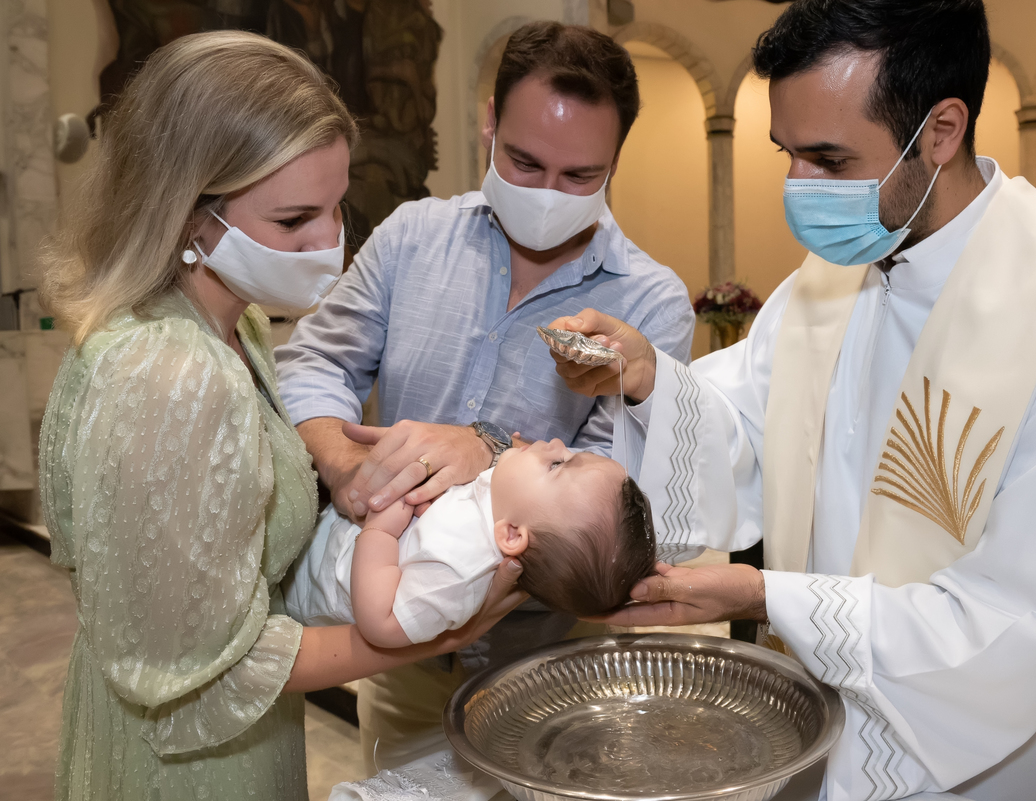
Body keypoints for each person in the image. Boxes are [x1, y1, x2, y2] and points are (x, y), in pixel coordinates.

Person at [548, 2, 1036, 800]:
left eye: (829, 160)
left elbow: (1015, 628)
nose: (798, 188)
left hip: (984, 775)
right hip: (820, 743)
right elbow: (749, 432)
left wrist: (770, 597)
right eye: (788, 154)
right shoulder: (831, 280)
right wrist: (647, 379)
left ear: (941, 131)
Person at [36, 32, 524, 801]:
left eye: (336, 208)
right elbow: (197, 679)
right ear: (190, 214)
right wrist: (435, 630)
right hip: (189, 765)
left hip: (247, 735)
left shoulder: (241, 324)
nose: (330, 242)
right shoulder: (173, 375)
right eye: (294, 219)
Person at [275, 21, 694, 766]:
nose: (547, 194)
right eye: (524, 162)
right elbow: (313, 362)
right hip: (395, 659)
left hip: (554, 660)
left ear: (615, 162)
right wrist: (347, 465)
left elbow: (617, 494)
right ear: (490, 123)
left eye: (579, 176)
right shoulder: (412, 237)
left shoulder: (652, 304)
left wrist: (489, 448)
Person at [287, 439, 657, 646]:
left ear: (511, 535)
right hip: (318, 534)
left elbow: (382, 625)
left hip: (306, 584)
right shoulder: (503, 500)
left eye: (557, 464)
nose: (557, 443)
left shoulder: (460, 570)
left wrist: (380, 532)